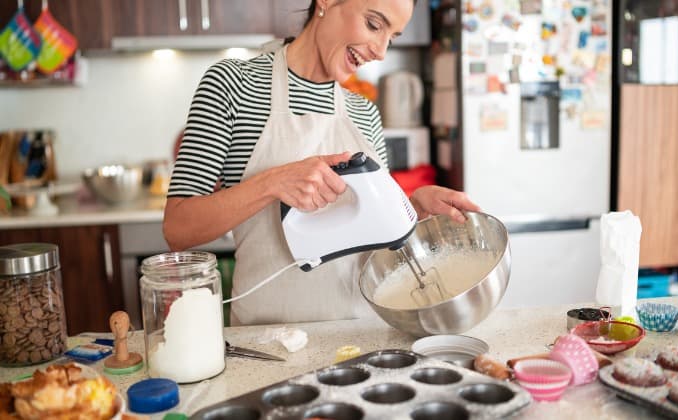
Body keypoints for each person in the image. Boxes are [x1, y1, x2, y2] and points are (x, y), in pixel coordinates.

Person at [164, 0, 480, 326]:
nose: (381, 52)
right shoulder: (234, 85)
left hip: (361, 337)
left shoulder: (365, 113)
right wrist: (273, 182)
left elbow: (379, 247)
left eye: (392, 37)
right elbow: (178, 229)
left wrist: (411, 209)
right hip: (266, 344)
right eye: (374, 25)